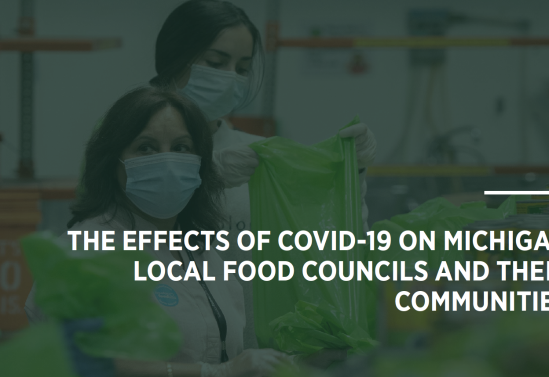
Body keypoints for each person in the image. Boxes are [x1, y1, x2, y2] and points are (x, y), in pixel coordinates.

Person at [150, 0, 377, 350]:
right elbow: (110, 230)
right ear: (173, 58)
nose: (230, 78)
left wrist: (350, 177)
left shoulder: (260, 154)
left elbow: (332, 246)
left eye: (242, 68)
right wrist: (204, 176)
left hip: (260, 356)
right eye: (215, 63)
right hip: (169, 359)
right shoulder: (129, 148)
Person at [25, 86, 292, 377]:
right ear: (113, 161)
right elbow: (70, 360)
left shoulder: (202, 251)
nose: (168, 162)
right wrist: (213, 373)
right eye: (146, 147)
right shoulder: (84, 251)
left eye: (181, 148)